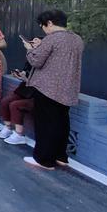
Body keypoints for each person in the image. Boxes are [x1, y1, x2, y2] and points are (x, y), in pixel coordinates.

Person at [23, 9, 84, 170]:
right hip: (68, 88)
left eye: (43, 26)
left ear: (49, 23)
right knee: (62, 122)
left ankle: (44, 160)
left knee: (45, 124)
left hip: (48, 88)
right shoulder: (77, 39)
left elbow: (36, 61)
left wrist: (30, 49)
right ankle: (60, 156)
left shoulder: (52, 39)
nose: (43, 30)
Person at [0, 63, 34, 145]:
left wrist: (27, 80)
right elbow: (26, 72)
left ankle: (19, 135)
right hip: (25, 90)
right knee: (5, 102)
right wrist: (20, 75)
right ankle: (8, 127)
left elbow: (41, 85)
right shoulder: (31, 59)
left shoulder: (45, 66)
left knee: (15, 105)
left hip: (37, 96)